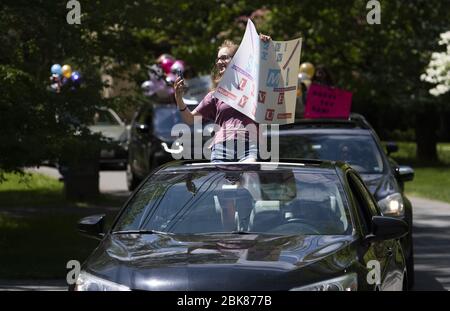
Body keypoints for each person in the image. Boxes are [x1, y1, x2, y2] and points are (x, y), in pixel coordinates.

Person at [174, 35, 271, 163]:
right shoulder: (215, 95)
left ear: (237, 60)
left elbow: (267, 72)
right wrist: (178, 97)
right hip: (221, 148)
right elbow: (190, 119)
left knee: (248, 178)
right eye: (218, 59)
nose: (219, 62)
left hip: (249, 145)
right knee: (222, 183)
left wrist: (265, 47)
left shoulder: (253, 87)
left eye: (224, 58)